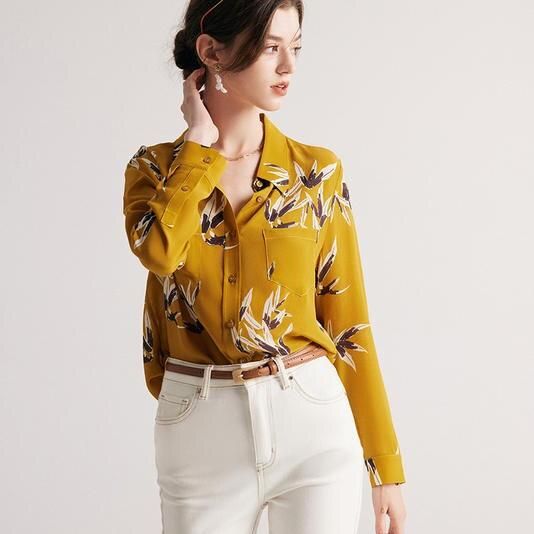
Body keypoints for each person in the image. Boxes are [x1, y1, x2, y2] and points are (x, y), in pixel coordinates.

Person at [122, 1, 407, 533]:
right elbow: (159, 250)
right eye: (270, 48)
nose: (288, 66)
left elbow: (349, 324)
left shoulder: (315, 174)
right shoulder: (154, 170)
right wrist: (199, 147)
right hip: (199, 425)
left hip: (312, 419)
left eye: (294, 47)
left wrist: (383, 464)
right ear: (212, 52)